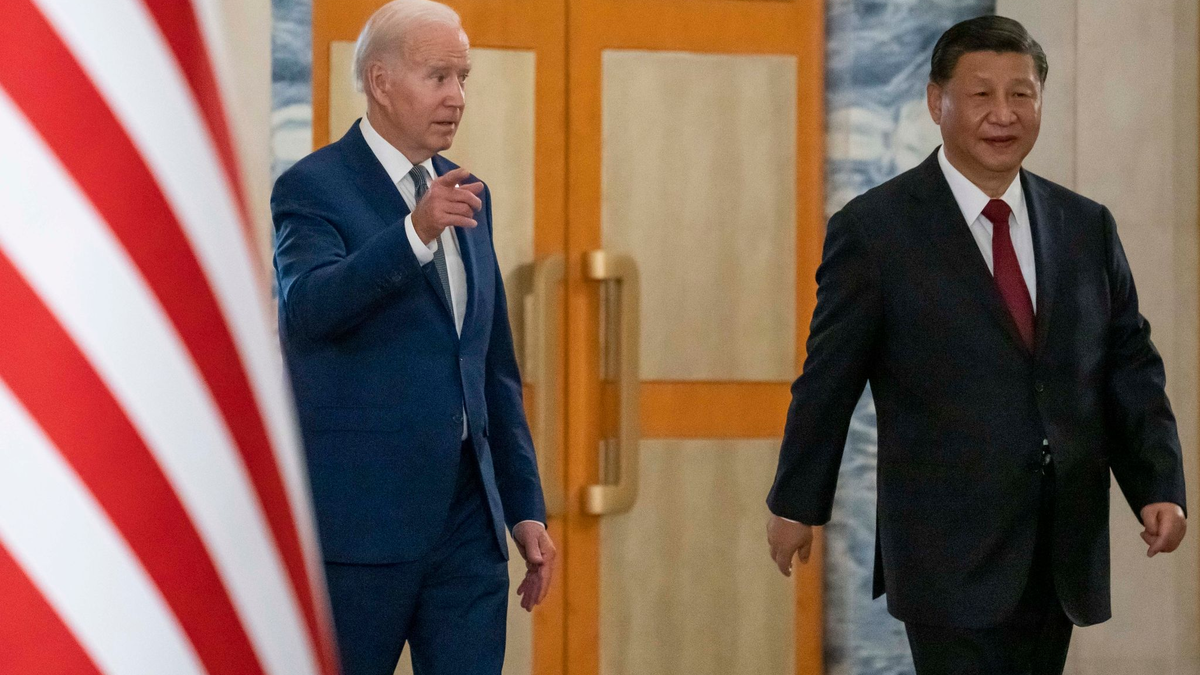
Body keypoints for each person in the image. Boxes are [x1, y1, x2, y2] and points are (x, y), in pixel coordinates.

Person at [765, 15, 1187, 675]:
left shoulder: (1086, 226)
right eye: (981, 94)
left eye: (1021, 94)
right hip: (945, 549)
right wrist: (795, 501)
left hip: (1060, 546)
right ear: (937, 102)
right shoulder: (876, 231)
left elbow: (1129, 367)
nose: (1003, 113)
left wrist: (1158, 482)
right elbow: (828, 379)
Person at [271, 1, 554, 673]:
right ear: (379, 80)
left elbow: (492, 369)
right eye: (439, 77)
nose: (457, 97)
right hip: (362, 528)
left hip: (466, 526)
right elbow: (308, 309)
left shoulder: (466, 191)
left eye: (464, 77)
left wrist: (524, 508)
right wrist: (413, 235)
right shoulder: (313, 188)